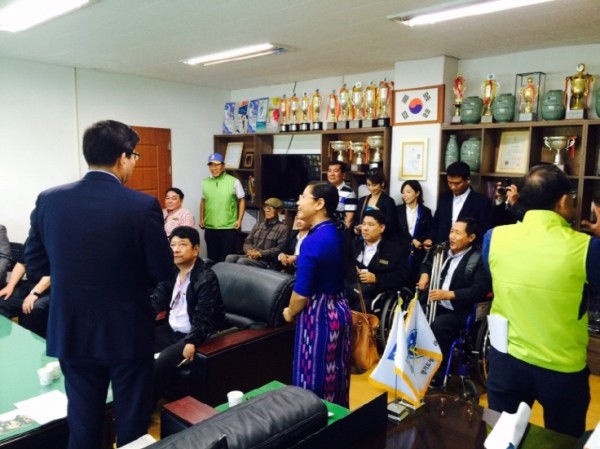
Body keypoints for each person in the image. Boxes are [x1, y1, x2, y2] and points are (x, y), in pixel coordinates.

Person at [24, 120, 173, 449]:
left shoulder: (50, 200)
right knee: (132, 423)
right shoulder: (141, 205)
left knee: (83, 420)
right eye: (134, 156)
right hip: (127, 330)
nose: (134, 163)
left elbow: (35, 263)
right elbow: (162, 269)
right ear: (122, 157)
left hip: (72, 328)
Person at [483, 164, 600, 437]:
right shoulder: (586, 248)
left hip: (505, 360)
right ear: (562, 201)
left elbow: (494, 276)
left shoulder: (494, 238)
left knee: (500, 437)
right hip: (561, 367)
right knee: (562, 439)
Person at [283, 182, 352, 407]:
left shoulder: (313, 241)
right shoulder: (336, 232)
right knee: (337, 376)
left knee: (312, 381)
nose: (298, 202)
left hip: (319, 316)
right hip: (340, 310)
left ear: (319, 203)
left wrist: (289, 312)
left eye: (303, 197)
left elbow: (301, 295)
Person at [151, 226, 226, 405]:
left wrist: (192, 341)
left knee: (162, 361)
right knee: (136, 345)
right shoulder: (171, 271)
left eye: (182, 245)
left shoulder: (206, 277)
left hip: (195, 334)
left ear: (196, 249)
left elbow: (204, 315)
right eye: (172, 245)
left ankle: (143, 410)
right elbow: (157, 300)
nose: (176, 249)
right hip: (171, 329)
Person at [417, 217, 490, 368]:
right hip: (435, 305)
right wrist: (424, 275)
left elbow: (479, 290)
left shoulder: (478, 259)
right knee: (414, 316)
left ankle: (436, 370)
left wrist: (450, 294)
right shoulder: (441, 250)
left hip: (459, 311)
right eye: (451, 231)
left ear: (471, 237)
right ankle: (413, 362)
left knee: (439, 325)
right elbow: (426, 263)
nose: (452, 236)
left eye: (457, 233)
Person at [346, 210, 408, 313]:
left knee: (360, 306)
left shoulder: (395, 250)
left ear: (382, 228)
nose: (365, 228)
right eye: (363, 224)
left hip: (376, 293)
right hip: (352, 288)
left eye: (370, 225)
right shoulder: (354, 246)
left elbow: (401, 277)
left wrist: (376, 278)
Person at [430, 161, 493, 244]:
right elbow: (436, 223)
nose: (452, 187)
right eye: (450, 182)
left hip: (468, 248)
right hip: (442, 247)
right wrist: (430, 238)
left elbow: (484, 232)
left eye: (457, 183)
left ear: (468, 180)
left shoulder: (483, 202)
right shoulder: (444, 197)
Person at [199, 153, 246, 262]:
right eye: (211, 165)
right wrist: (201, 218)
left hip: (228, 227)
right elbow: (203, 201)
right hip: (210, 227)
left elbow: (242, 200)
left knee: (228, 258)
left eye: (217, 165)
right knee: (212, 259)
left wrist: (239, 220)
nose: (214, 168)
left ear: (223, 166)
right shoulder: (205, 182)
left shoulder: (234, 181)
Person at [224, 197, 288, 269]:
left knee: (242, 261)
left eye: (271, 208)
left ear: (278, 211)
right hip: (251, 256)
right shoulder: (258, 224)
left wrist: (260, 253)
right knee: (230, 258)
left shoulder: (283, 228)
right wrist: (250, 251)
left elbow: (279, 249)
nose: (267, 210)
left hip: (266, 260)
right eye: (266, 207)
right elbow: (247, 241)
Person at [0, 253, 51, 338]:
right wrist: (9, 286)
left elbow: (54, 273)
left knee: (34, 307)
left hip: (54, 288)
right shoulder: (32, 244)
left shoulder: (59, 246)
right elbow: (21, 263)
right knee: (3, 300)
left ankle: (33, 340)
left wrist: (34, 293)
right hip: (31, 283)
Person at [395, 180, 433, 287]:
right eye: (403, 192)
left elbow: (429, 230)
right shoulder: (397, 210)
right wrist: (412, 241)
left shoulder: (425, 211)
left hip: (419, 254)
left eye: (408, 192)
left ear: (417, 193)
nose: (405, 195)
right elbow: (395, 231)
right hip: (401, 254)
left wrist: (421, 241)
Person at [352, 168, 397, 239]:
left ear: (382, 183)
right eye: (368, 185)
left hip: (380, 240)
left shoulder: (388, 201)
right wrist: (356, 228)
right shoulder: (362, 200)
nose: (371, 188)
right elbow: (357, 220)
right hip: (362, 239)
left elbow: (391, 226)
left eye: (374, 185)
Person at [327, 162, 357, 228]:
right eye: (329, 171)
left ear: (343, 175)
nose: (332, 174)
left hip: (339, 230)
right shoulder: (324, 190)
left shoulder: (349, 193)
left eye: (336, 171)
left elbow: (349, 220)